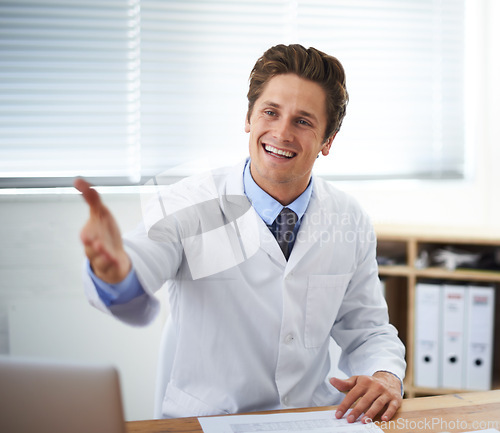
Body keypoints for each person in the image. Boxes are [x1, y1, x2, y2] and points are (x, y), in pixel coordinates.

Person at [75, 44, 406, 423]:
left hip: (310, 419)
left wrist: (385, 374)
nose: (281, 132)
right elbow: (142, 259)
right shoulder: (188, 203)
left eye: (303, 121)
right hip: (208, 423)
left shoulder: (349, 218)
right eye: (270, 112)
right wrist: (116, 270)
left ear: (327, 141)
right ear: (249, 118)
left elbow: (367, 329)